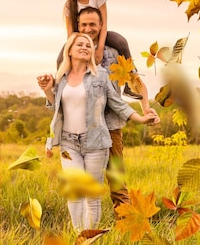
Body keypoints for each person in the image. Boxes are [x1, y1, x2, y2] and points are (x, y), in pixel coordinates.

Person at [37, 32, 157, 232]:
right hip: (68, 144)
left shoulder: (100, 75)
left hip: (95, 143)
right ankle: (80, 235)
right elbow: (54, 108)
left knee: (92, 196)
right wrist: (47, 90)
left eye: (88, 45)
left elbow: (119, 105)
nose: (85, 47)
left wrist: (142, 117)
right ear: (70, 50)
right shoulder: (61, 78)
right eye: (79, 44)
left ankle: (89, 236)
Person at [76, 6, 160, 212]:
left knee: (117, 181)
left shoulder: (113, 53)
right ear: (78, 26)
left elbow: (134, 81)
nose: (88, 28)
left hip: (112, 124)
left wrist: (146, 107)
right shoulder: (73, 53)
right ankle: (82, 229)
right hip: (81, 126)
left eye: (92, 24)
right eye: (84, 24)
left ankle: (125, 226)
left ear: (101, 26)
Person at [60, 0, 142, 99]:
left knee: (120, 42)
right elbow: (70, 33)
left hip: (99, 33)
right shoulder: (69, 5)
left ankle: (130, 81)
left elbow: (104, 25)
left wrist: (100, 49)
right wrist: (77, 48)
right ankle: (60, 89)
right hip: (80, 37)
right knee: (60, 58)